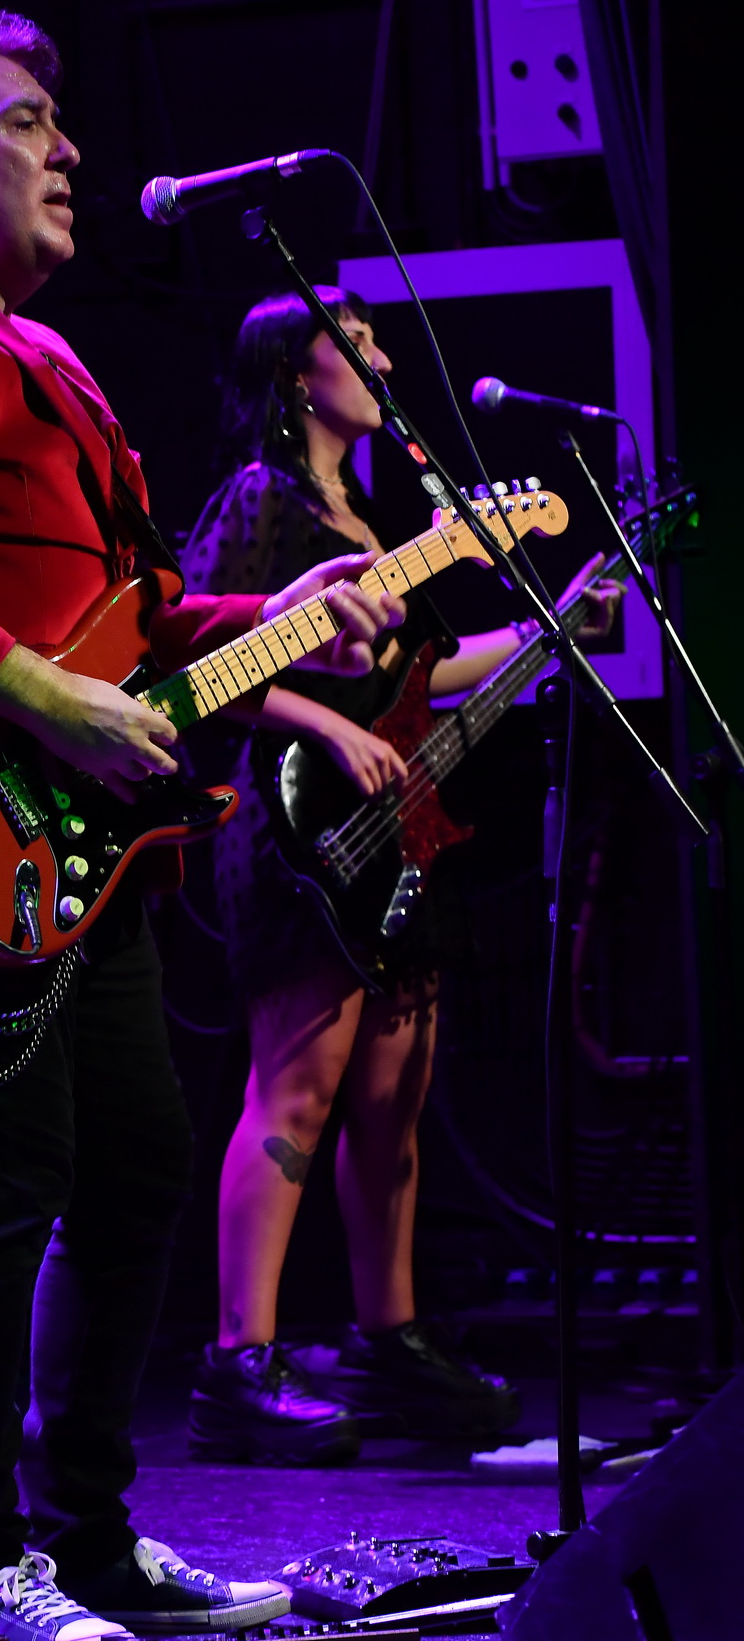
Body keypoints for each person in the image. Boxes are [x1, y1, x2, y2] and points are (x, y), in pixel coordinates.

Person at [0, 4, 401, 1641]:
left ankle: (89, 1538)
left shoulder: (43, 354)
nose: (68, 151)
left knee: (132, 1169)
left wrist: (289, 613)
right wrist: (48, 701)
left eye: (61, 123)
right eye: (28, 122)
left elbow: (132, 618)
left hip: (87, 840)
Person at [181, 288, 620, 1464]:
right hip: (292, 823)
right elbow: (204, 667)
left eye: (377, 337)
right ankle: (238, 1361)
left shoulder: (366, 517)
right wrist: (328, 729)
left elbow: (417, 678)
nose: (379, 356)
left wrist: (551, 631)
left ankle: (390, 1341)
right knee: (298, 1087)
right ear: (295, 375)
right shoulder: (260, 499)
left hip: (387, 827)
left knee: (393, 1093)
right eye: (355, 340)